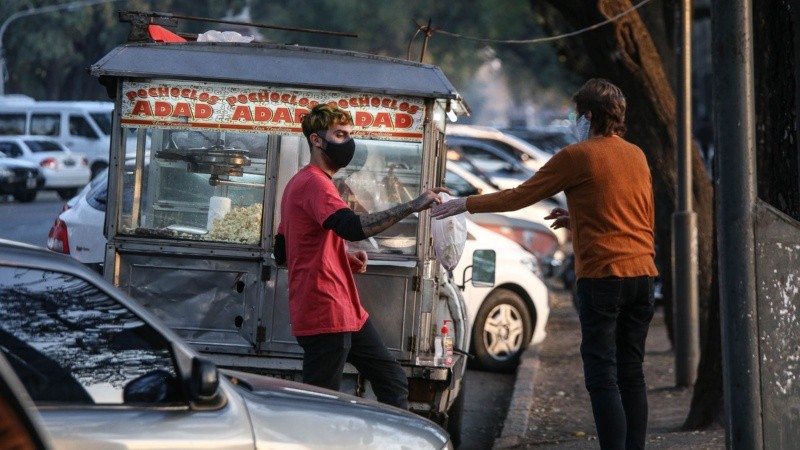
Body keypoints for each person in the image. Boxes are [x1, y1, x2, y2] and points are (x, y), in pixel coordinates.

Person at [432, 78, 658, 450]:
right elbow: (636, 214)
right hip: (642, 276)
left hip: (603, 277)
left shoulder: (579, 155)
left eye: (575, 115)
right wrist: (577, 220)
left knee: (602, 374)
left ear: (588, 116)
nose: (573, 123)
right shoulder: (636, 154)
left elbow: (522, 195)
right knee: (631, 372)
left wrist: (464, 204)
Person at [275, 104, 448, 409]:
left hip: (346, 311)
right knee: (319, 407)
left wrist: (341, 254)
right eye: (340, 134)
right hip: (324, 312)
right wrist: (412, 205)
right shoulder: (314, 183)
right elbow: (353, 227)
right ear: (317, 140)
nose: (348, 143)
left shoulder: (302, 183)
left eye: (350, 135)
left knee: (392, 381)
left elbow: (285, 248)